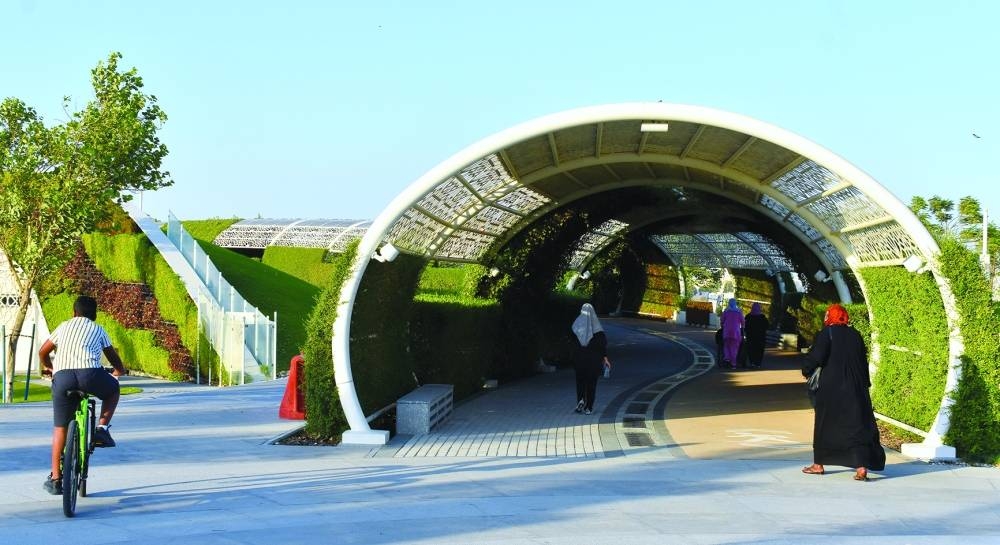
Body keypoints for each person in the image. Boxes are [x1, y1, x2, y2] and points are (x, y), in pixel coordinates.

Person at [38, 295, 127, 495]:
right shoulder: (98, 329)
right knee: (113, 389)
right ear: (94, 314)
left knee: (59, 428)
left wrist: (51, 368)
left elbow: (43, 352)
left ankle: (56, 478)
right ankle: (101, 429)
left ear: (74, 312)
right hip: (90, 375)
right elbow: (112, 356)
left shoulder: (63, 326)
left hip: (63, 378)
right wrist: (119, 371)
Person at [801, 304, 885, 481]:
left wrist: (806, 369)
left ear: (830, 317)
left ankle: (818, 465)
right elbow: (862, 361)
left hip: (831, 388)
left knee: (824, 425)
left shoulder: (827, 333)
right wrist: (865, 384)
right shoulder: (855, 335)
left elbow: (817, 357)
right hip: (855, 387)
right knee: (856, 426)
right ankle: (861, 467)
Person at [571, 303, 610, 416]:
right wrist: (606, 359)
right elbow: (602, 346)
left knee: (580, 382)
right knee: (591, 384)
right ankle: (589, 407)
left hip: (579, 360)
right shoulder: (598, 329)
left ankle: (580, 400)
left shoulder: (577, 326)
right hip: (594, 362)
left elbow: (573, 344)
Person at [719, 298, 744, 369]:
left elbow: (722, 320)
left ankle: (727, 357)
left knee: (726, 345)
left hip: (726, 332)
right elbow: (743, 321)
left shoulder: (726, 311)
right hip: (736, 332)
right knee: (734, 348)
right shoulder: (739, 312)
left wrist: (722, 326)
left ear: (729, 303)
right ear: (735, 303)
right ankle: (733, 363)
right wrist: (742, 327)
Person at [743, 303, 769, 369]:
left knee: (751, 350)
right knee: (759, 351)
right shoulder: (763, 317)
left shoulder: (748, 316)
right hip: (761, 338)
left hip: (750, 337)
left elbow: (745, 326)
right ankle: (758, 363)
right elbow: (767, 326)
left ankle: (752, 363)